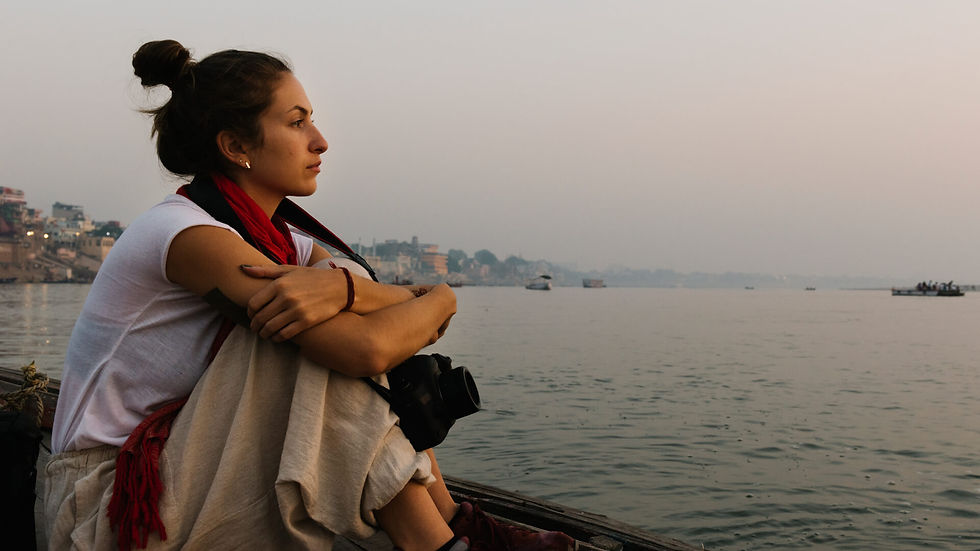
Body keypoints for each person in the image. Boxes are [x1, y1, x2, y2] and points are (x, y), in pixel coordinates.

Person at [44, 40, 573, 551]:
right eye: (297, 123)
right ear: (235, 147)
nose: (320, 140)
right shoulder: (189, 236)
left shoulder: (282, 242)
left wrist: (373, 288)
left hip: (181, 472)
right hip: (108, 509)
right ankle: (439, 539)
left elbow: (388, 306)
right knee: (306, 342)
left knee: (322, 324)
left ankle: (452, 524)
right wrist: (413, 297)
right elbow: (367, 349)